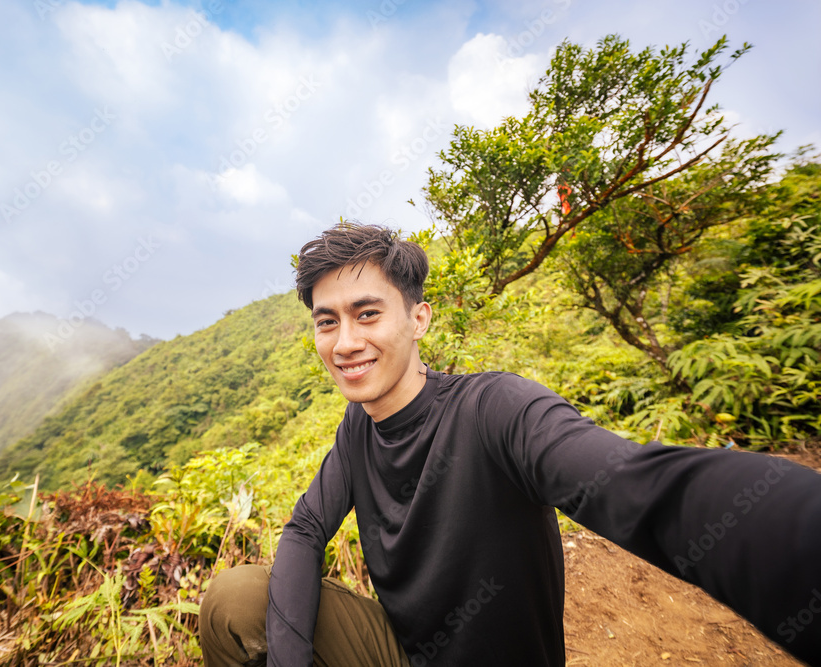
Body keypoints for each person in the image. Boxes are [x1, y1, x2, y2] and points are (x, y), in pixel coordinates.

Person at [199, 223, 821, 666]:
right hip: (402, 652)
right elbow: (306, 529)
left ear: (418, 319)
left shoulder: (496, 409)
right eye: (326, 321)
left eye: (367, 314)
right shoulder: (358, 427)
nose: (344, 342)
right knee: (235, 599)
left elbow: (634, 485)